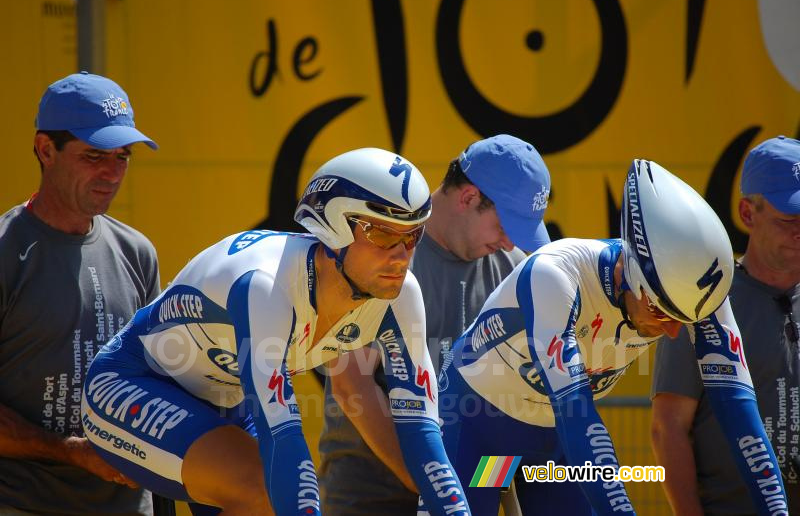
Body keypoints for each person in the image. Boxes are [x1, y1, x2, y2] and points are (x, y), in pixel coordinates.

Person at [80, 147, 471, 515]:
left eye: (412, 236)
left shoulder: (401, 294)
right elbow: (282, 433)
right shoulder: (265, 286)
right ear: (334, 229)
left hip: (227, 399)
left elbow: (423, 437)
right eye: (383, 234)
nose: (402, 256)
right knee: (267, 489)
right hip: (135, 381)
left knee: (274, 490)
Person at [431, 158, 789, 515]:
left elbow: (740, 413)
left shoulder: (699, 290)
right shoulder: (555, 275)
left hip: (553, 439)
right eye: (661, 312)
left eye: (685, 319)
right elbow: (577, 412)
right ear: (631, 276)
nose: (672, 330)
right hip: (480, 432)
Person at [319, 134, 551, 515]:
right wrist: (432, 485)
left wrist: (480, 491)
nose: (510, 243)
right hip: (369, 495)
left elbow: (513, 404)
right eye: (505, 226)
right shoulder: (386, 249)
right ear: (469, 197)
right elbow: (351, 384)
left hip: (461, 494)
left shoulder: (513, 271)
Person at [0, 72, 160, 514]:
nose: (112, 173)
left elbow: (158, 381)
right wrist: (70, 451)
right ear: (45, 149)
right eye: (94, 155)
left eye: (123, 157)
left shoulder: (137, 253)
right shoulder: (7, 253)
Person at [651, 136, 800, 515]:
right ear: (747, 213)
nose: (799, 231)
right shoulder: (704, 299)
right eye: (787, 220)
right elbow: (668, 427)